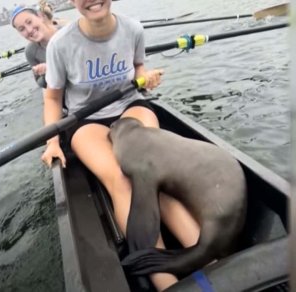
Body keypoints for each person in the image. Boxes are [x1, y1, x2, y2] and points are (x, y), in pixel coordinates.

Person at [42, 0, 200, 290]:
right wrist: (52, 141)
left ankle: (210, 257)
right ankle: (164, 279)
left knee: (151, 173)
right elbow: (53, 99)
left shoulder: (133, 29)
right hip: (86, 119)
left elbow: (139, 66)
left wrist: (144, 76)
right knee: (122, 179)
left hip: (130, 105)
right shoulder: (59, 45)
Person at [10, 5, 66, 88]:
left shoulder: (67, 32)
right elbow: (40, 82)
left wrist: (51, 68)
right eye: (22, 29)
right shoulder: (30, 51)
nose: (29, 30)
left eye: (29, 22)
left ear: (40, 16)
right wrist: (45, 74)